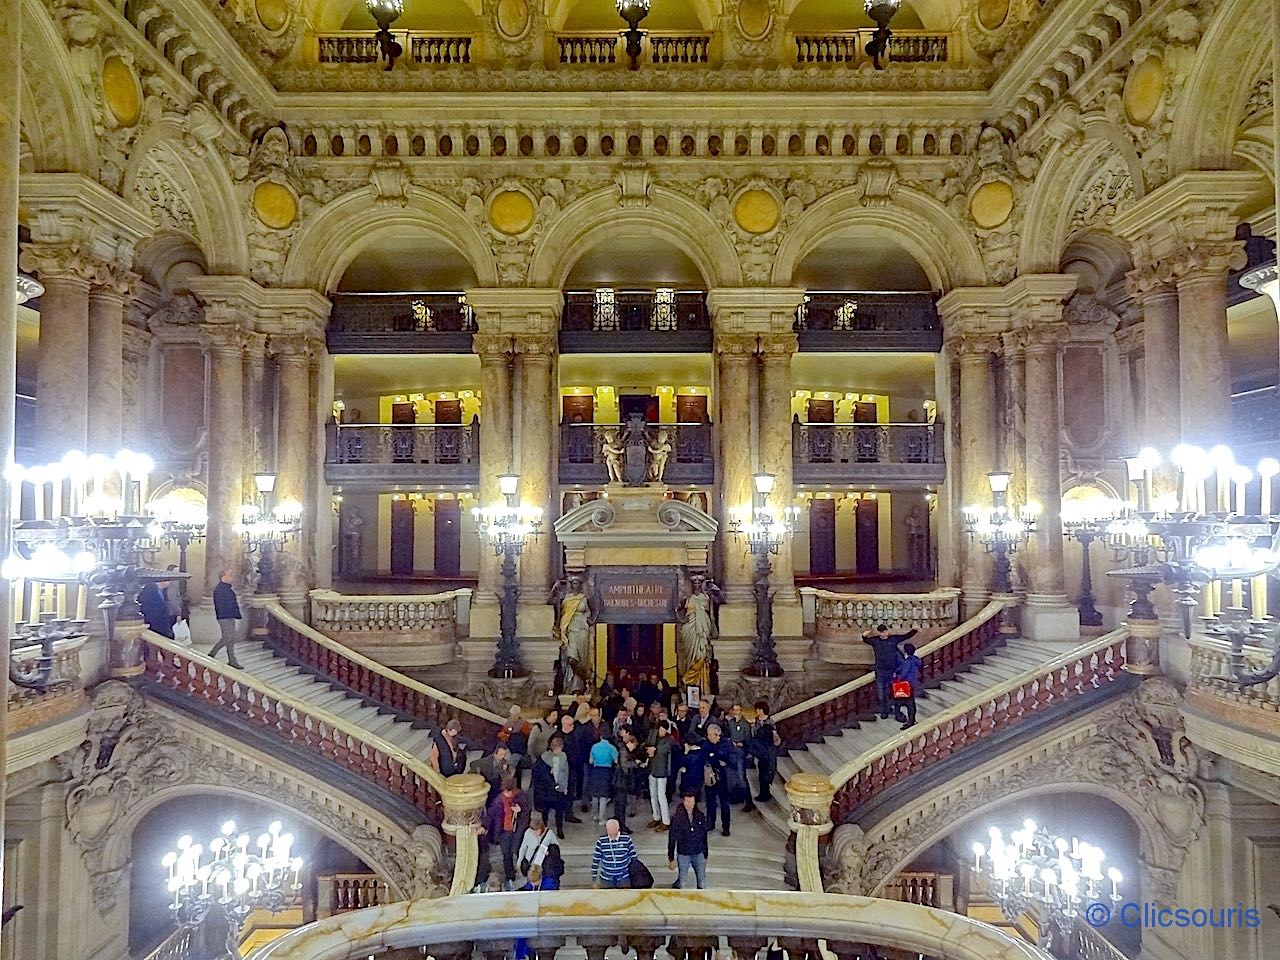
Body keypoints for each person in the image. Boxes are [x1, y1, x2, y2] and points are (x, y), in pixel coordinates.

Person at [481, 776, 530, 889]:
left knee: (519, 852)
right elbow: (491, 814)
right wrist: (484, 825)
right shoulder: (499, 800)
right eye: (505, 791)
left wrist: (520, 811)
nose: (507, 794)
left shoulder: (522, 797)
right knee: (506, 855)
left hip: (518, 831)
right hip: (504, 832)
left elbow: (527, 813)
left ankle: (525, 872)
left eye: (509, 792)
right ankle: (510, 876)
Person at [862, 623, 919, 719]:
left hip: (892, 670)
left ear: (887, 631)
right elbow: (866, 640)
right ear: (879, 633)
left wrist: (915, 630)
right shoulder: (875, 641)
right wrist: (864, 635)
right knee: (880, 692)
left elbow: (906, 636)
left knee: (890, 691)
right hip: (880, 670)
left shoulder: (893, 639)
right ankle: (884, 711)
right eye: (881, 633)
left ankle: (889, 709)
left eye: (885, 632)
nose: (884, 635)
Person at [532, 734, 578, 836]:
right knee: (545, 810)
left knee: (559, 810)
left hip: (559, 788)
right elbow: (540, 775)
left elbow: (566, 771)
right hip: (547, 789)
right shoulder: (544, 758)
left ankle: (559, 829)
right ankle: (545, 827)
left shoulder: (564, 756)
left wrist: (565, 786)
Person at [667, 790, 710, 890]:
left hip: (698, 852)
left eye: (692, 802)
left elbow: (703, 835)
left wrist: (705, 854)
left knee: (702, 883)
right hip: (684, 853)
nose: (690, 805)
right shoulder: (677, 818)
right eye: (687, 802)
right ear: (683, 801)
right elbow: (672, 837)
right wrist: (671, 858)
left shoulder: (700, 816)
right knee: (682, 882)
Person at [702, 725, 735, 836]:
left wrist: (720, 759)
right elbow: (705, 757)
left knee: (724, 803)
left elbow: (732, 759)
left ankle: (726, 826)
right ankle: (710, 823)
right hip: (710, 777)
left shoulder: (726, 744)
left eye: (709, 734)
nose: (708, 736)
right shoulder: (706, 744)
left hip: (723, 779)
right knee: (710, 802)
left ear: (716, 735)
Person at [208, 568, 243, 669]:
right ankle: (212, 653)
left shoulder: (228, 589)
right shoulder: (219, 589)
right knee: (227, 637)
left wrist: (236, 614)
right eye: (230, 575)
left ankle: (232, 660)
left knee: (231, 638)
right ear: (223, 577)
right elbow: (221, 605)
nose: (232, 577)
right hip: (224, 617)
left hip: (230, 616)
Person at [748, 701, 780, 803]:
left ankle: (766, 793)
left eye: (757, 709)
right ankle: (763, 792)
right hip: (760, 748)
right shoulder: (757, 720)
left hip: (768, 748)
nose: (756, 711)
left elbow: (775, 735)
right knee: (761, 771)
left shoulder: (770, 721)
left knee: (767, 771)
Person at [591, 818, 637, 889]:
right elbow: (595, 861)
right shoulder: (601, 841)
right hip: (606, 879)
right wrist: (594, 880)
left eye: (614, 833)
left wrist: (635, 876)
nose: (612, 836)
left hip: (623, 878)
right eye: (610, 833)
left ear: (618, 828)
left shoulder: (626, 839)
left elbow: (634, 858)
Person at [587, 732, 620, 823]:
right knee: (603, 795)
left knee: (595, 794)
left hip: (596, 770)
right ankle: (602, 817)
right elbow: (616, 761)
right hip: (606, 772)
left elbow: (590, 761)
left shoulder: (594, 746)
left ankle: (594, 814)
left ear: (601, 737)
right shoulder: (612, 748)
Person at [647, 721, 674, 830]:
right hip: (652, 768)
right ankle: (656, 817)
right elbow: (648, 743)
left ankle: (666, 821)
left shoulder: (669, 739)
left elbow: (665, 749)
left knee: (661, 796)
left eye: (664, 731)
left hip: (662, 770)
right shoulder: (652, 734)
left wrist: (655, 749)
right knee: (653, 795)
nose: (662, 732)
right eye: (661, 730)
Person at [560, 714, 589, 805]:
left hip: (573, 765)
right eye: (570, 724)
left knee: (571, 788)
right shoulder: (558, 736)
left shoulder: (576, 735)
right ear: (564, 725)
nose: (573, 726)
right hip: (562, 767)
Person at [894, 642, 923, 730]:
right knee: (911, 703)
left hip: (906, 684)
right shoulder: (915, 659)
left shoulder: (907, 661)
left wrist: (897, 676)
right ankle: (912, 720)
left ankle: (910, 722)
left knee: (909, 703)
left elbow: (904, 673)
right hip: (913, 682)